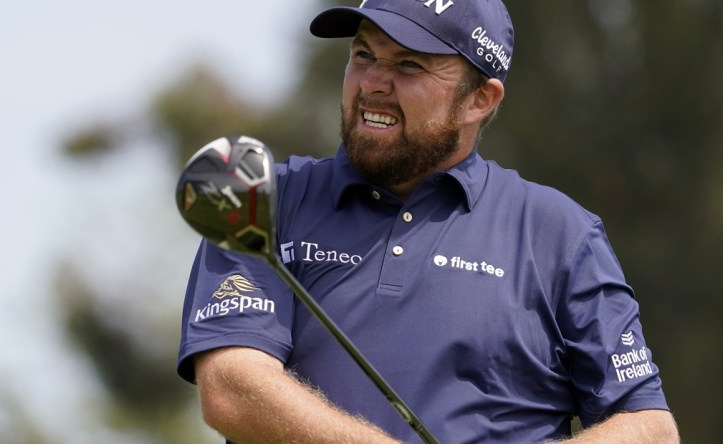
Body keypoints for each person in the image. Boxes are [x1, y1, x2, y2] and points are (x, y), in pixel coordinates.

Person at [176, 0, 679, 442]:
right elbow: (233, 390)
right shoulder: (263, 201)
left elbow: (649, 428)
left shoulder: (558, 233)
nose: (373, 82)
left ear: (480, 99)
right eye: (363, 54)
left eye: (410, 65)